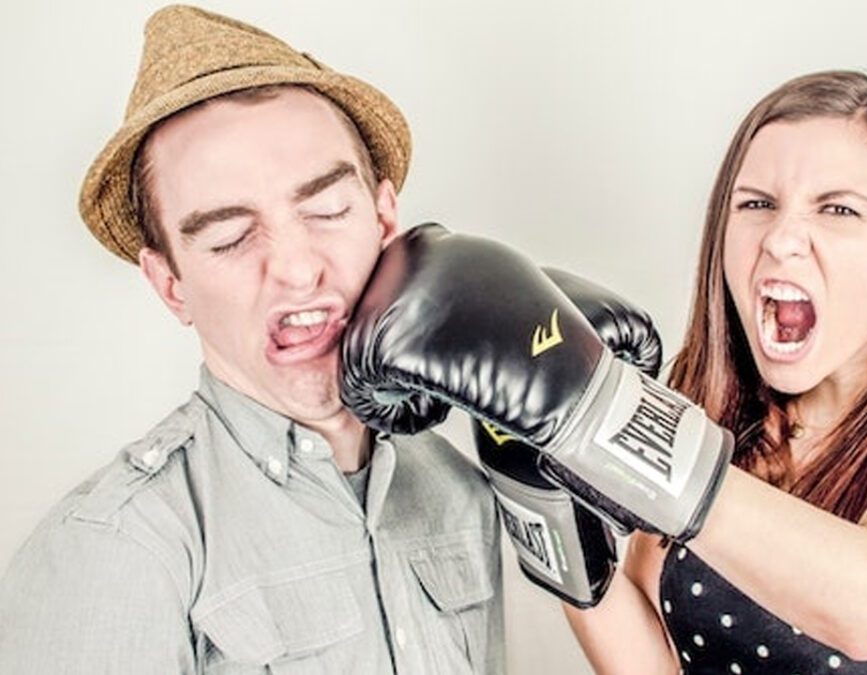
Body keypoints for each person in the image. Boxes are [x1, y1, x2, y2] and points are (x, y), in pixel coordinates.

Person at [337, 71, 867, 675]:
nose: (783, 238)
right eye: (756, 203)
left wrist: (603, 417)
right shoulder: (702, 407)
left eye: (839, 209)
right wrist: (539, 490)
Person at [0, 6, 502, 673]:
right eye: (230, 237)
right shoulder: (117, 548)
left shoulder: (460, 490)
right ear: (170, 283)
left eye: (327, 209)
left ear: (384, 219)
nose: (295, 267)